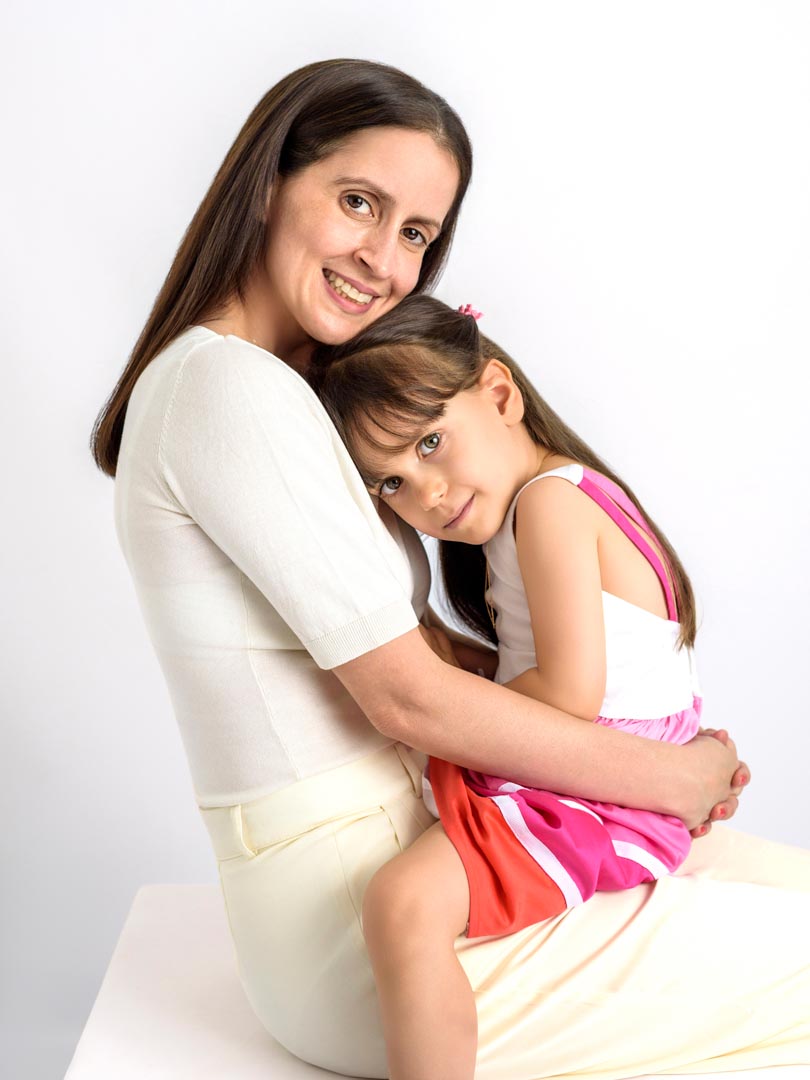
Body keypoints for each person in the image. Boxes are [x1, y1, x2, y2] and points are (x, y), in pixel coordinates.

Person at [91, 58, 810, 1080]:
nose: (383, 259)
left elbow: (417, 653)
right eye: (356, 203)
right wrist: (670, 775)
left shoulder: (292, 393)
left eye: (417, 234)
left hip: (466, 830)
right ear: (265, 185)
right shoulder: (224, 388)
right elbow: (408, 700)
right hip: (370, 927)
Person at [310, 294, 727, 1077]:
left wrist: (433, 689)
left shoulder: (549, 505)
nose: (425, 494)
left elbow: (568, 698)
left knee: (401, 907)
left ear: (500, 395)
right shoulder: (544, 502)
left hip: (601, 789)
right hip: (603, 765)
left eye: (430, 443)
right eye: (391, 484)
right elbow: (546, 675)